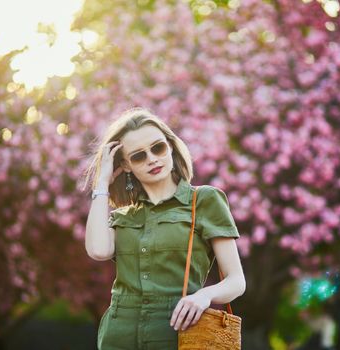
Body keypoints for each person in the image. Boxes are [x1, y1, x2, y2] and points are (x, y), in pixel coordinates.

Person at [82, 107, 246, 349]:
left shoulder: (204, 201)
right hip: (119, 335)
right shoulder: (124, 216)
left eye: (157, 147)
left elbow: (236, 281)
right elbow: (98, 251)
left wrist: (203, 296)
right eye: (138, 156)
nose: (152, 159)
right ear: (126, 165)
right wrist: (102, 182)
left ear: (170, 146)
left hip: (178, 332)